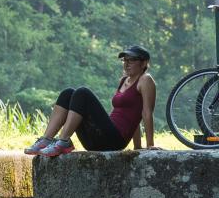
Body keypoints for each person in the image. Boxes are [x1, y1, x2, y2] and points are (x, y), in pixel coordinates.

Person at [24, 46, 156, 157]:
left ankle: (63, 140)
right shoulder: (123, 81)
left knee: (82, 93)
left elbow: (145, 113)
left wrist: (149, 145)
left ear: (143, 63)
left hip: (114, 140)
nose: (126, 64)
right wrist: (137, 146)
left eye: (131, 60)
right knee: (68, 93)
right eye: (124, 60)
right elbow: (132, 115)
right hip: (98, 139)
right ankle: (46, 139)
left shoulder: (145, 80)